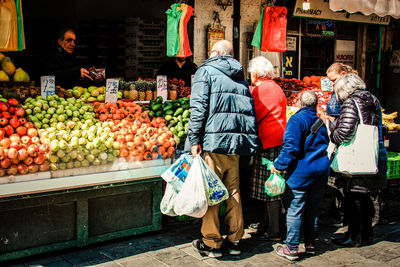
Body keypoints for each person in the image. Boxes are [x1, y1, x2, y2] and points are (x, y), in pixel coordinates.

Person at [189, 40, 261, 258]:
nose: (209, 54)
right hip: (235, 145)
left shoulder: (206, 71)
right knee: (233, 191)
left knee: (211, 191)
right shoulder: (239, 75)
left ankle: (212, 243)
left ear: (218, 53)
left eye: (211, 51)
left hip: (213, 142)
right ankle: (235, 239)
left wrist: (194, 138)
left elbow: (198, 106)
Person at [328, 73, 387, 247]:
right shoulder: (373, 99)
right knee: (365, 198)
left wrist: (332, 130)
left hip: (356, 158)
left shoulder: (350, 102)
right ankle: (364, 234)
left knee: (355, 198)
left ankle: (356, 236)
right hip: (372, 155)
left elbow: (345, 133)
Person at [271, 91, 330, 261]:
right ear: (316, 104)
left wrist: (278, 165)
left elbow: (291, 147)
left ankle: (291, 248)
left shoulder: (296, 120)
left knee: (295, 209)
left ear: (299, 103)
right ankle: (310, 245)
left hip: (301, 172)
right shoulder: (320, 121)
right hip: (320, 170)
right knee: (313, 208)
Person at [246, 56, 287, 241]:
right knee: (268, 187)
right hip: (276, 140)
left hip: (268, 142)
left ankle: (274, 230)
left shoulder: (262, 89)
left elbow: (254, 114)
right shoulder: (275, 87)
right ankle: (266, 225)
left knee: (270, 187)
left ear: (256, 73)